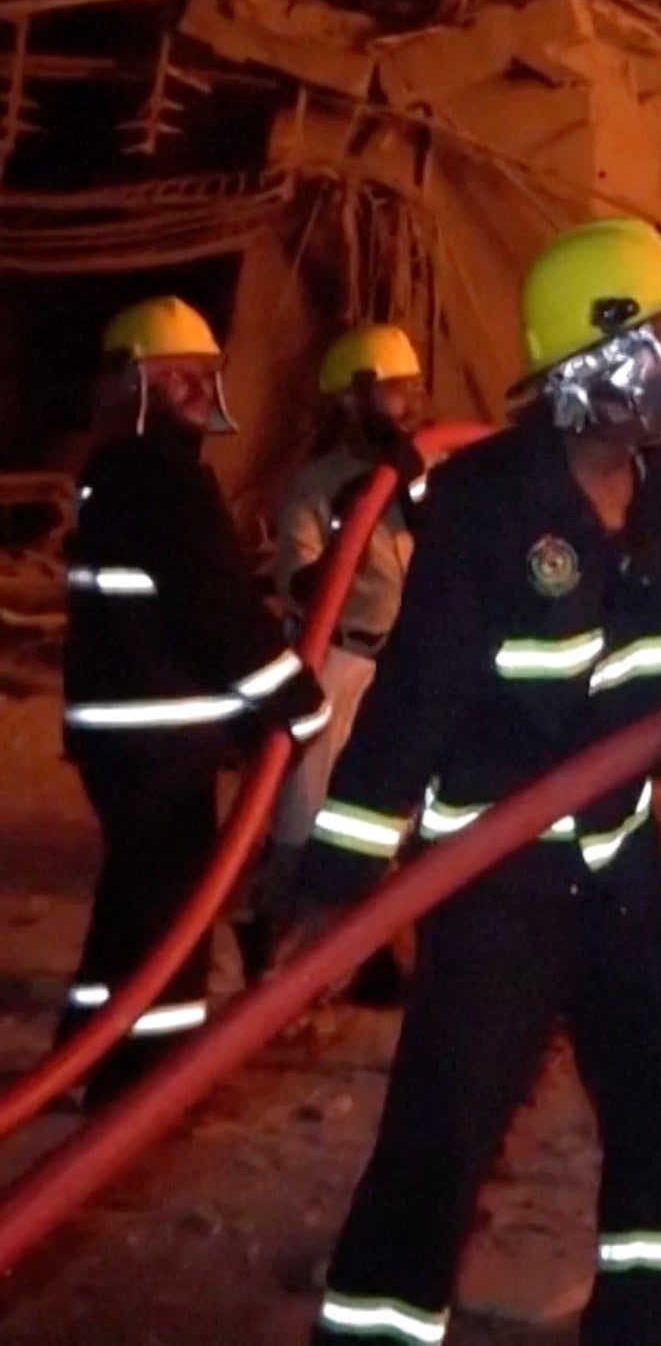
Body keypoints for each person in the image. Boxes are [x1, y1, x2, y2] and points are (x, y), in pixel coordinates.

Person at [293, 218, 661, 1346]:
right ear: (595, 363)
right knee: (441, 1138)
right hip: (498, 876)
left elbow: (632, 664)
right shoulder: (486, 501)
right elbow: (416, 697)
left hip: (620, 858)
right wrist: (339, 884)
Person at [57, 296, 327, 1106]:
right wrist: (292, 697)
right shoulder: (165, 483)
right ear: (131, 385)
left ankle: (85, 1050)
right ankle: (142, 1088)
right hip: (158, 746)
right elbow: (217, 610)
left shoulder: (119, 475)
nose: (198, 391)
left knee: (133, 906)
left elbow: (181, 611)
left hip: (127, 741)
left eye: (204, 374)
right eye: (175, 377)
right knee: (170, 929)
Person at [257, 323, 431, 960]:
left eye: (412, 387)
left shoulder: (429, 468)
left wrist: (409, 484)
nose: (409, 404)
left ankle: (381, 946)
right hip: (340, 659)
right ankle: (281, 939)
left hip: (409, 663)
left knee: (400, 810)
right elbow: (301, 584)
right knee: (307, 807)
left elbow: (455, 540)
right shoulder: (314, 485)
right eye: (394, 389)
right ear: (353, 400)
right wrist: (351, 519)